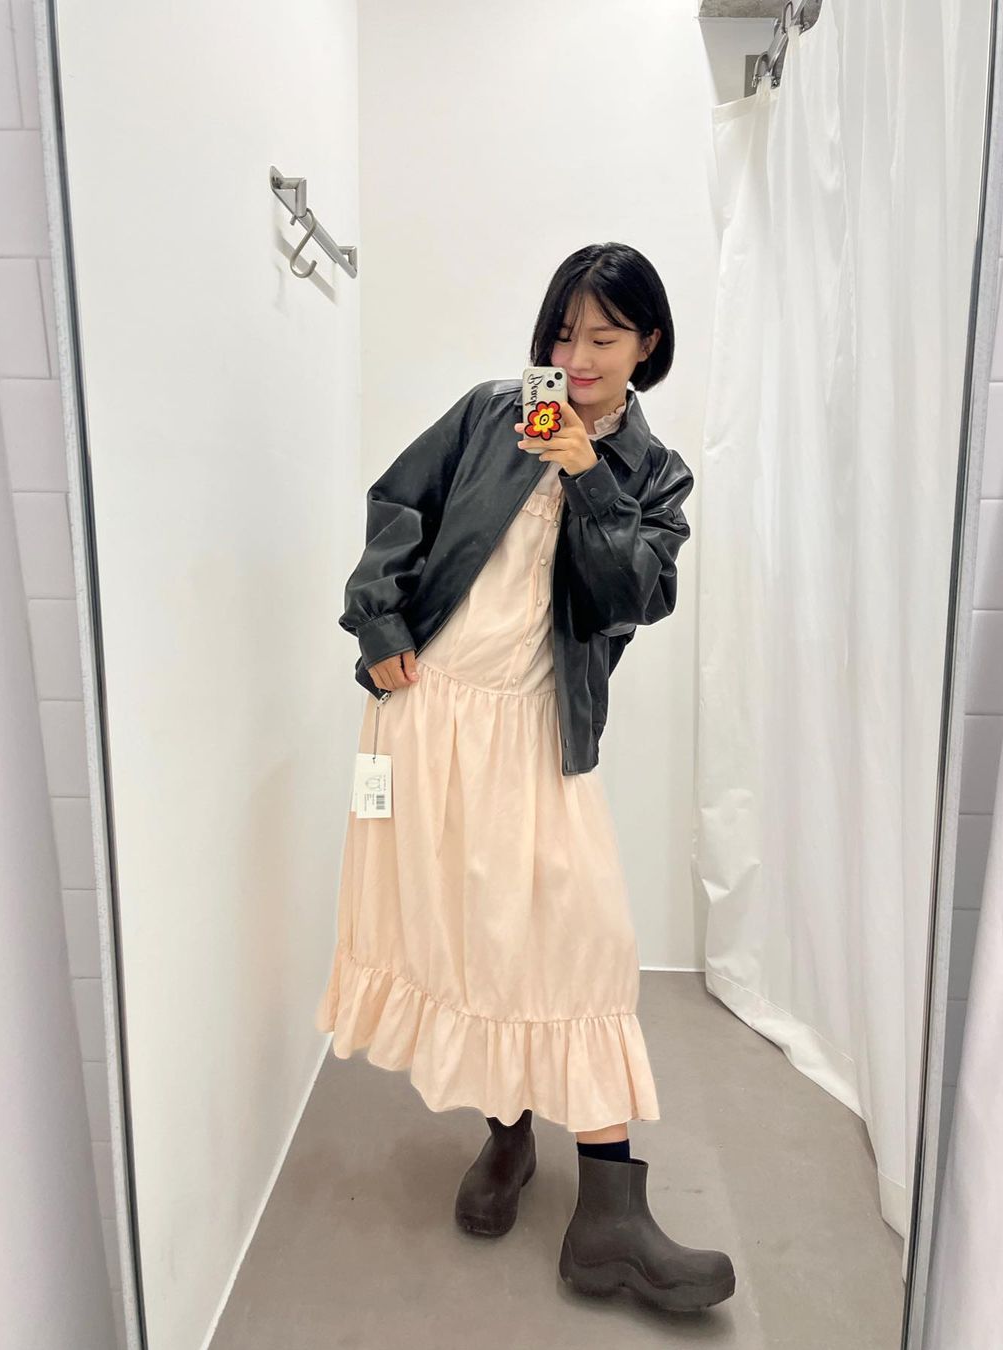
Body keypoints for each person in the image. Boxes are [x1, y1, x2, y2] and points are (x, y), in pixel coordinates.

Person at [316, 242, 735, 1314]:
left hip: (534, 735)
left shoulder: (656, 476)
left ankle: (611, 1216)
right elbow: (397, 507)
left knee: (582, 942)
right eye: (562, 333)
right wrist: (378, 629)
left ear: (647, 344)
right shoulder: (487, 414)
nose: (578, 357)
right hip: (427, 713)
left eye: (604, 336)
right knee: (478, 933)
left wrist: (588, 475)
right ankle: (508, 1138)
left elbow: (624, 599)